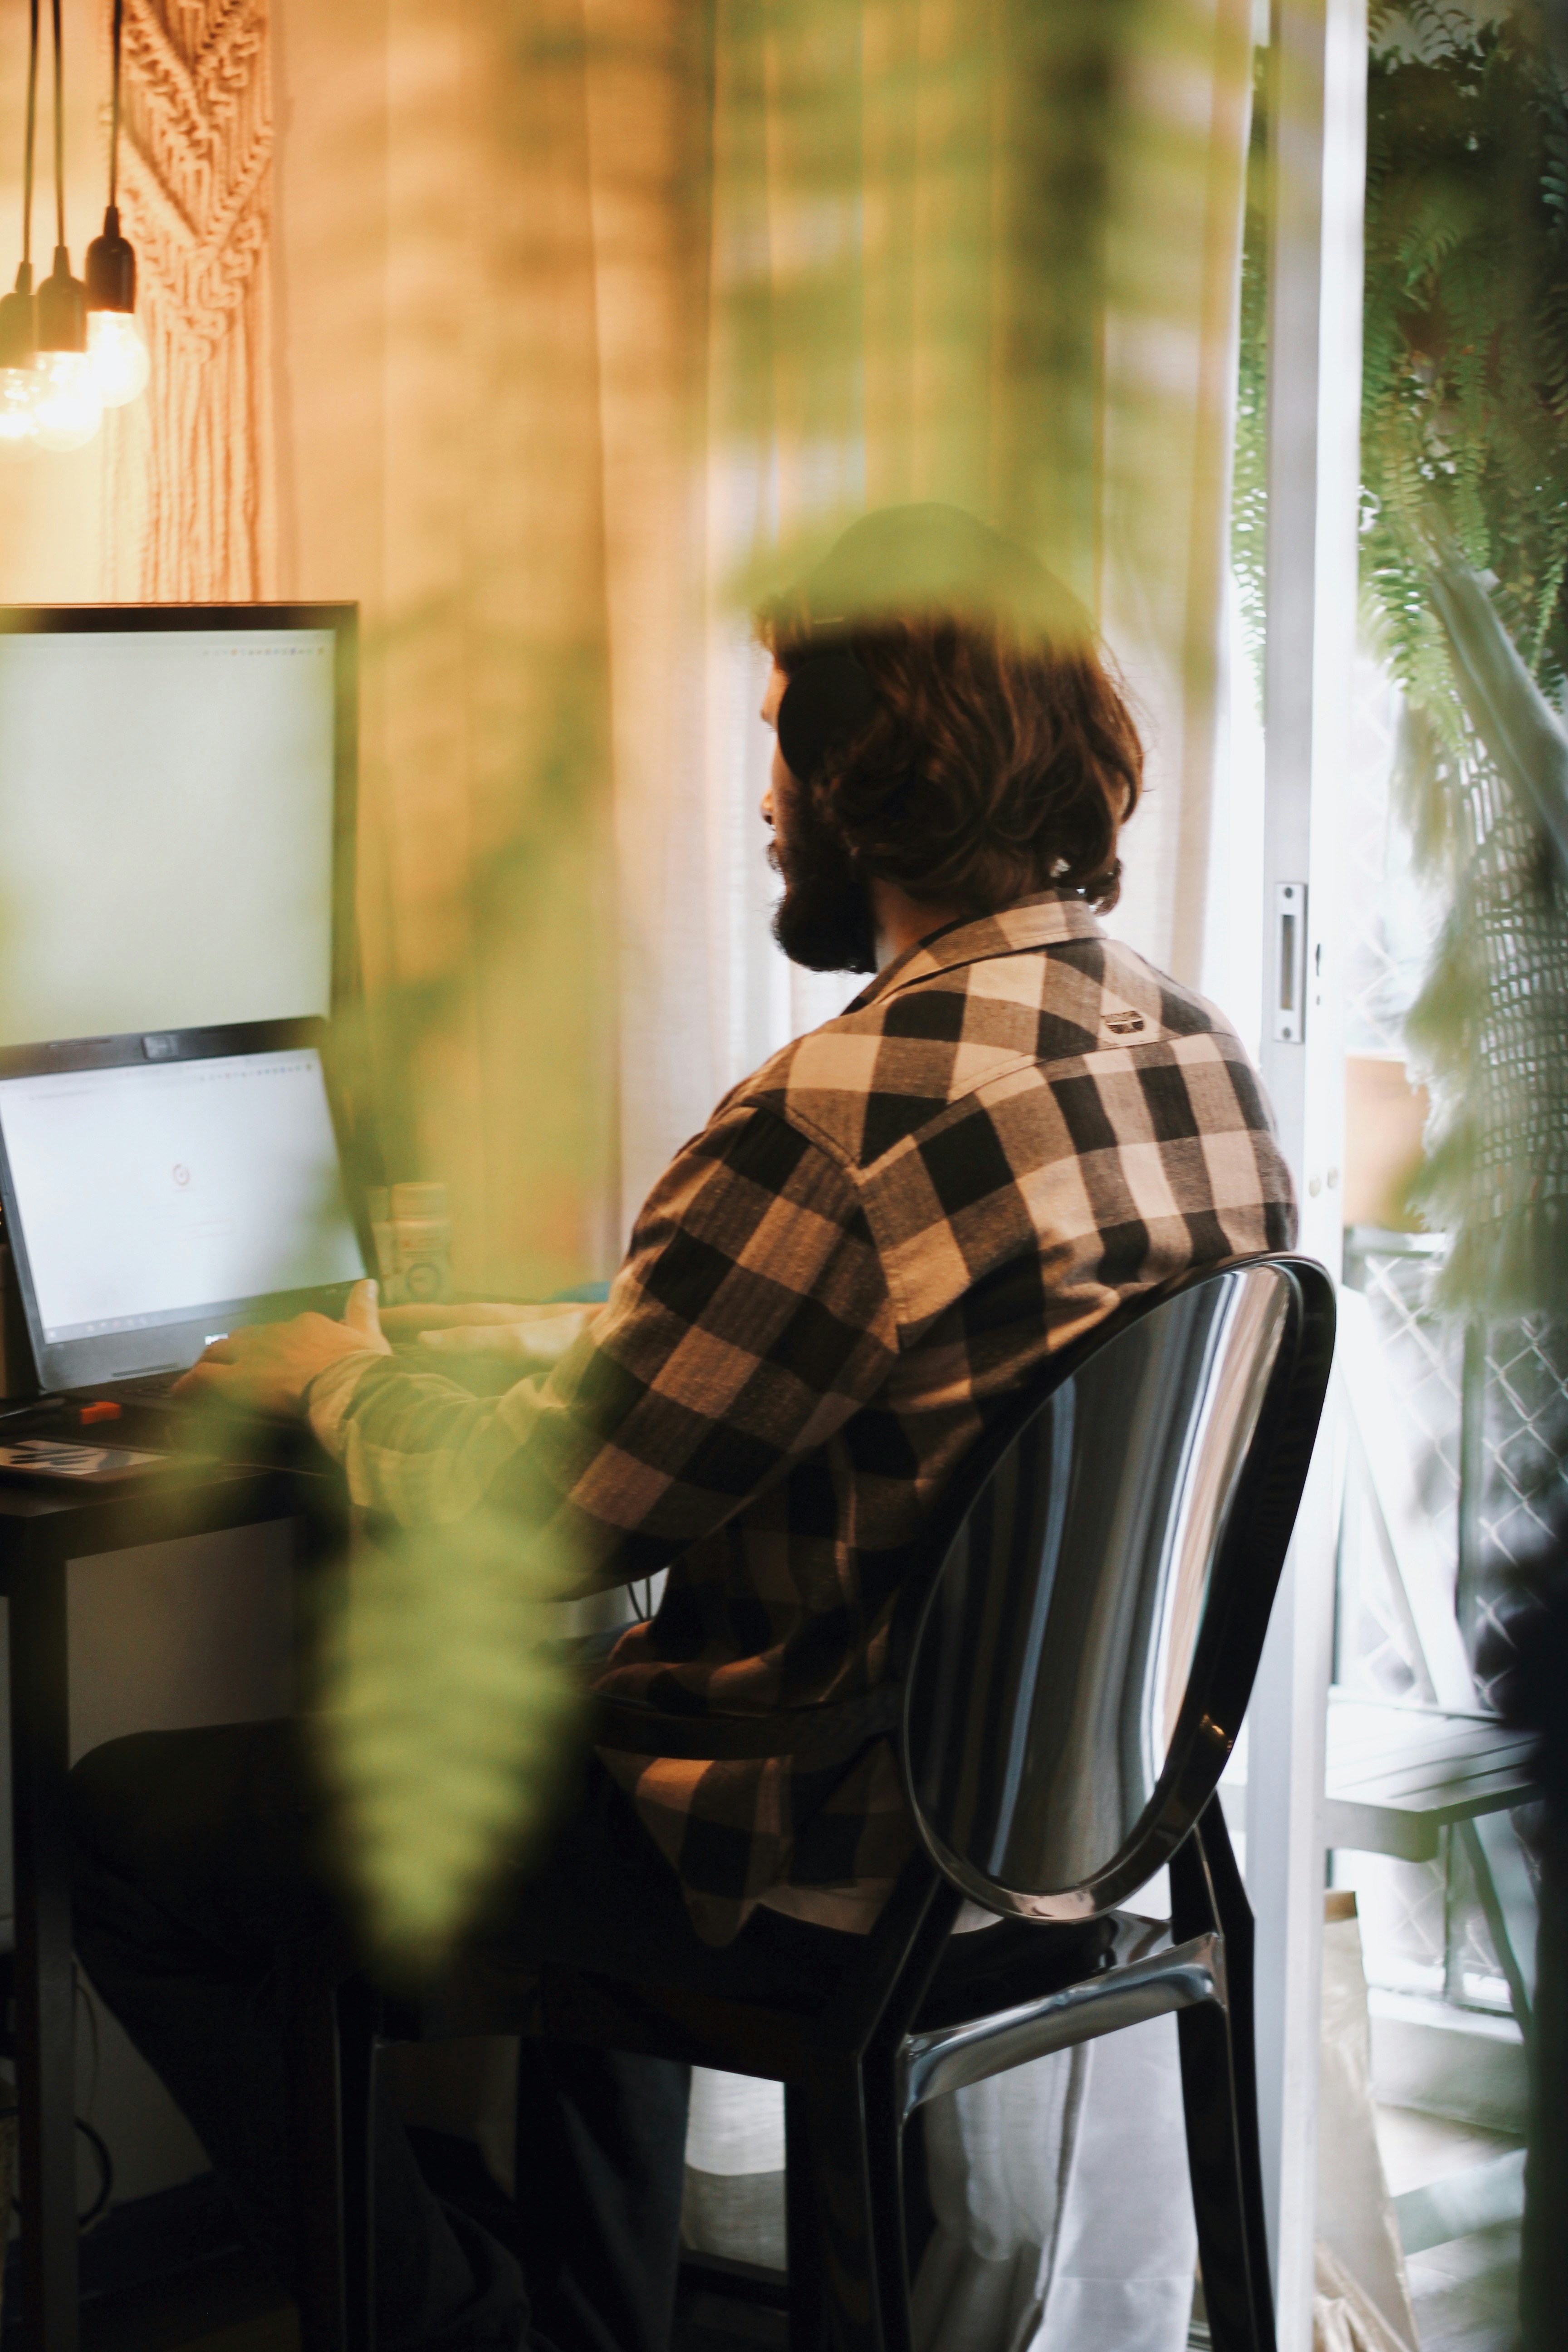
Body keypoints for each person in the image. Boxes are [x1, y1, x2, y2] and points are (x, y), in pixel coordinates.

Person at [68, 505, 1295, 2352]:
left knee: (133, 1821)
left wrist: (329, 1378)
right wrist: (518, 1339)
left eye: (779, 747)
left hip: (822, 1859)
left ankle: (467, 2321)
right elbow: (838, 1377)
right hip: (1092, 1831)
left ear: (863, 782)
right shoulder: (1197, 1063)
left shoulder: (836, 1116)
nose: (767, 810)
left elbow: (553, 1522)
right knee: (613, 1712)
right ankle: (585, 2316)